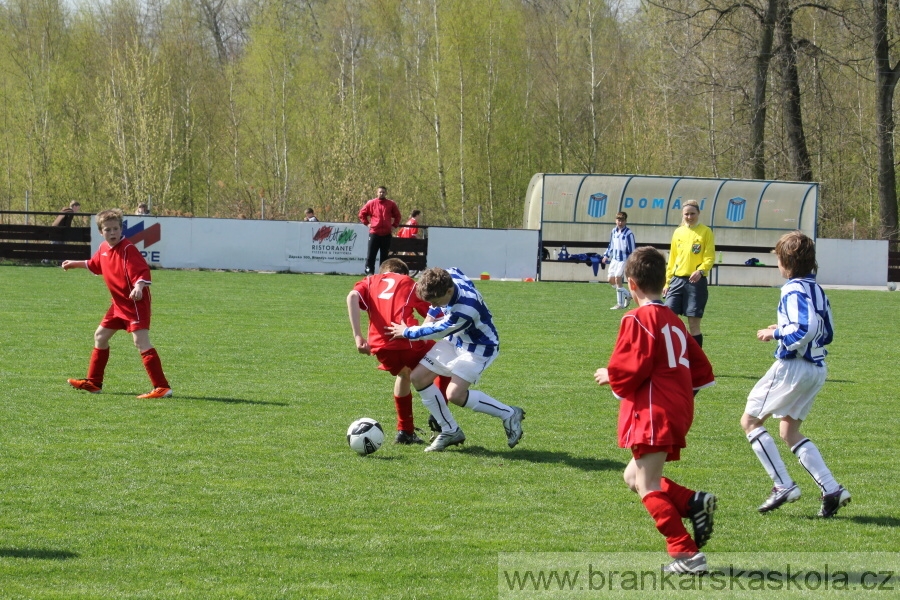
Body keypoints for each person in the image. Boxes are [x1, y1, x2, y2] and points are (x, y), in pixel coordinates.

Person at [594, 246, 717, 574]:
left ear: (630, 284)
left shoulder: (637, 317)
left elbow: (629, 368)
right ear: (664, 283)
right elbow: (702, 371)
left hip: (652, 412)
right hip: (676, 409)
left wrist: (611, 376)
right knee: (632, 476)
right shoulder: (674, 321)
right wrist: (677, 397)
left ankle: (687, 555)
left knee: (647, 485)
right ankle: (692, 502)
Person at [739, 231, 850, 518]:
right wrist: (785, 329)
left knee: (750, 421)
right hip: (817, 368)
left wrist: (776, 332)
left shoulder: (792, 288)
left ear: (786, 262)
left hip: (793, 367)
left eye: (778, 259)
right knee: (789, 431)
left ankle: (783, 485)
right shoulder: (816, 288)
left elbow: (807, 327)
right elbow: (828, 332)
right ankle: (832, 489)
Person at [387, 267, 525, 452]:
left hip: (479, 348)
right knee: (418, 377)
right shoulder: (449, 274)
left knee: (455, 395)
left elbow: (438, 330)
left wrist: (407, 332)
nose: (434, 306)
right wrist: (430, 314)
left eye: (436, 302)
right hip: (456, 340)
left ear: (450, 291)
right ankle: (450, 430)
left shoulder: (466, 308)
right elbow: (436, 312)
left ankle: (509, 413)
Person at [62, 208, 173, 400]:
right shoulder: (104, 249)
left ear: (121, 229)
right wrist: (74, 263)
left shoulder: (128, 249)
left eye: (115, 229)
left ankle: (162, 387)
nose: (112, 233)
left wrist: (138, 287)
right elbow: (95, 265)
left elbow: (141, 272)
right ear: (101, 232)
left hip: (135, 303)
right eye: (108, 230)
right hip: (118, 305)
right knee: (100, 336)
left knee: (141, 342)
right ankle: (94, 383)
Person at [347, 258, 436, 445]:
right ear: (403, 273)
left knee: (404, 373)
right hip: (406, 341)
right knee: (446, 359)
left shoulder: (370, 281)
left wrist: (358, 337)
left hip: (380, 346)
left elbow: (352, 297)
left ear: (383, 271)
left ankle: (405, 431)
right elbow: (433, 310)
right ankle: (439, 415)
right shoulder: (408, 282)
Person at [664, 199, 715, 348]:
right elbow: (672, 258)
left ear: (698, 213)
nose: (690, 217)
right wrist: (667, 282)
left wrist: (701, 270)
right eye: (686, 214)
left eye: (693, 213)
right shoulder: (678, 232)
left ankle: (696, 364)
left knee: (693, 324)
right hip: (676, 281)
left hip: (695, 283)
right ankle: (672, 357)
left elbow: (709, 256)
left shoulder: (706, 231)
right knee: (667, 318)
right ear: (682, 215)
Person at [358, 186, 401, 275]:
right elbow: (362, 214)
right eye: (380, 192)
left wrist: (394, 225)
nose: (381, 193)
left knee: (385, 256)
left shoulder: (391, 204)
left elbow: (397, 216)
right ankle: (369, 273)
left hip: (386, 234)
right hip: (374, 233)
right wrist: (367, 224)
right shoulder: (371, 203)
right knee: (371, 255)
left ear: (386, 193)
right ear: (377, 193)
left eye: (383, 192)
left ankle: (383, 273)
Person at [601, 211, 636, 310]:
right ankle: (628, 294)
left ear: (625, 221)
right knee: (610, 280)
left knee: (617, 278)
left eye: (622, 220)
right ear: (615, 220)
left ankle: (620, 304)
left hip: (623, 259)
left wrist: (632, 261)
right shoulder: (614, 231)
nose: (620, 222)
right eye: (618, 220)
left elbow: (632, 249)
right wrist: (606, 255)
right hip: (615, 259)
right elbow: (611, 245)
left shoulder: (628, 233)